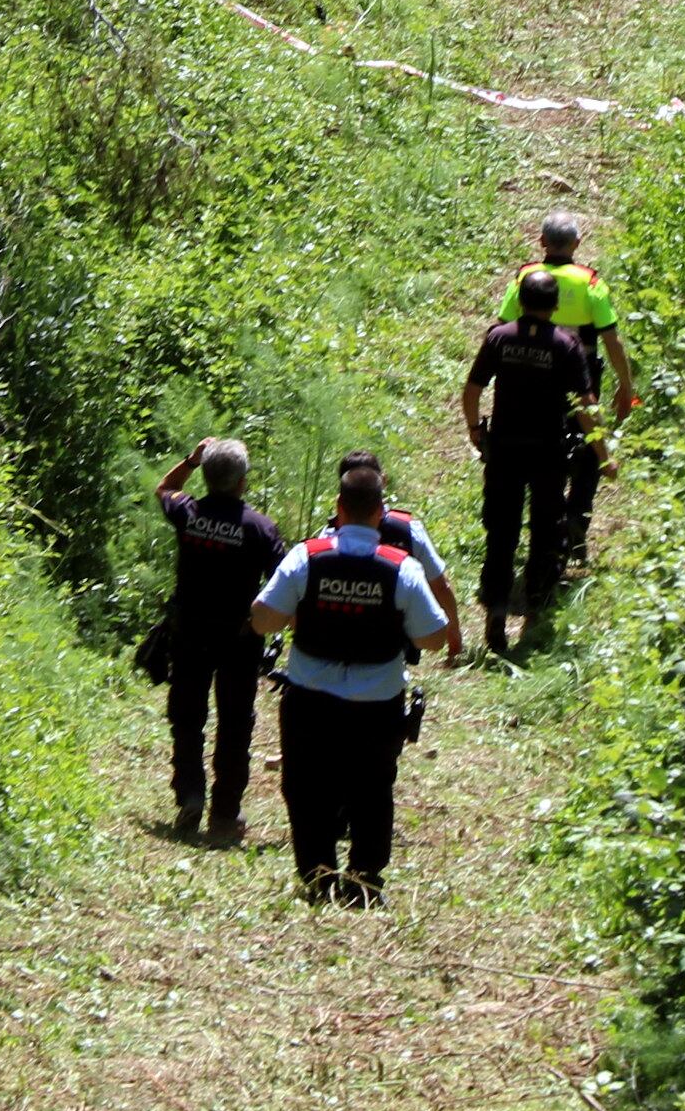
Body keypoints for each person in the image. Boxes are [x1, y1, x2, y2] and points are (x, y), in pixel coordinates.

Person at [250, 454, 459, 903]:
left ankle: (318, 876)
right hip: (377, 702)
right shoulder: (401, 567)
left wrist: (298, 614)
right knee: (372, 789)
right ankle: (364, 881)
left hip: (309, 698)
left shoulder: (307, 557)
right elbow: (435, 637)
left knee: (306, 787)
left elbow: (262, 618)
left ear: (338, 508)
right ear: (381, 514)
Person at [152, 437, 284, 841]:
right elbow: (283, 581)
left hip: (189, 631)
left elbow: (163, 489)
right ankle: (225, 813)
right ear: (242, 482)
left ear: (207, 477)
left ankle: (191, 794)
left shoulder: (189, 512)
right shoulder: (260, 528)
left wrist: (191, 460)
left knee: (188, 717)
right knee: (235, 724)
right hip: (239, 638)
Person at [459, 268, 595, 656]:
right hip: (548, 453)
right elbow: (584, 405)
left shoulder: (498, 338)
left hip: (504, 449)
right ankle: (535, 605)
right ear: (554, 306)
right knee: (544, 529)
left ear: (520, 302)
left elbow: (472, 390)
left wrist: (474, 430)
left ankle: (496, 611)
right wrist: (602, 453)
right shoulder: (566, 345)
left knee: (501, 531)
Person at [494, 213, 636, 574]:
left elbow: (502, 326)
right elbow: (610, 338)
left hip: (530, 375)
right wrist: (626, 383)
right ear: (577, 243)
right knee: (588, 444)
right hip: (581, 372)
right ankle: (576, 523)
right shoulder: (590, 282)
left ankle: (544, 524)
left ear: (542, 242)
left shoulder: (526, 278)